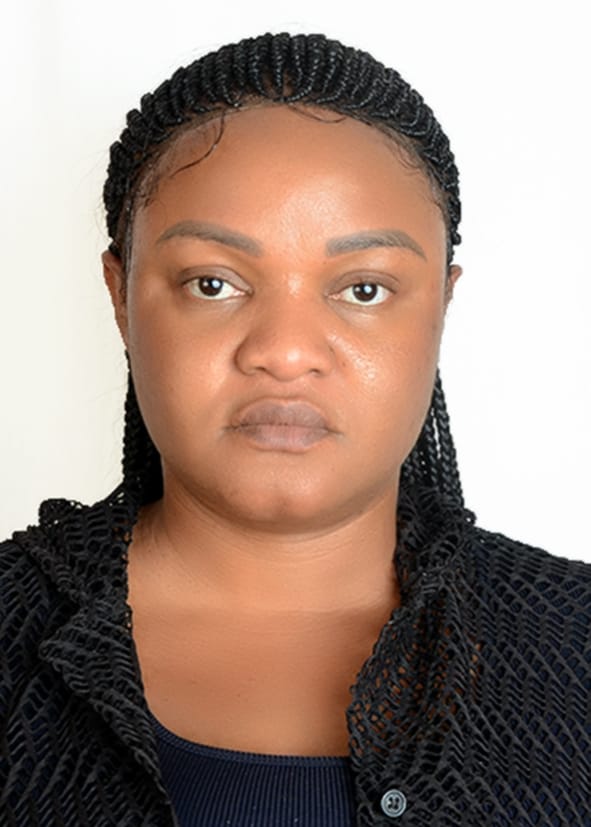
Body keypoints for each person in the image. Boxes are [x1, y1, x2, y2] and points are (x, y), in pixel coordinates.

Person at [0, 31, 589, 827]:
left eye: (363, 289)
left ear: (441, 306)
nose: (283, 351)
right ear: (120, 296)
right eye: (212, 283)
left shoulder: (574, 641)